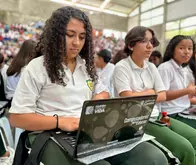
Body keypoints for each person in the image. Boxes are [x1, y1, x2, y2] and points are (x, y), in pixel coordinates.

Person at [9, 7, 167, 165]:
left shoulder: (85, 66)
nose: (76, 42)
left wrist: (95, 103)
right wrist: (60, 121)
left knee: (152, 157)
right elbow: (17, 118)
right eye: (69, 35)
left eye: (82, 37)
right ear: (55, 35)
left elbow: (104, 92)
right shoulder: (37, 67)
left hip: (85, 131)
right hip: (49, 133)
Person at [112, 26, 196, 165]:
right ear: (131, 45)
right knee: (186, 149)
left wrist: (144, 95)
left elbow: (163, 95)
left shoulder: (151, 67)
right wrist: (150, 92)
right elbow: (129, 99)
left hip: (157, 115)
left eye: (152, 42)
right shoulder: (122, 67)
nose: (149, 46)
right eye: (144, 41)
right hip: (137, 120)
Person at [158, 35, 196, 131]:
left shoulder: (181, 68)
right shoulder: (165, 67)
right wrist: (187, 91)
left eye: (190, 48)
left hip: (184, 111)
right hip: (171, 114)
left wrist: (192, 92)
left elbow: (183, 94)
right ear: (172, 50)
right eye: (182, 48)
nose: (187, 52)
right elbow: (163, 95)